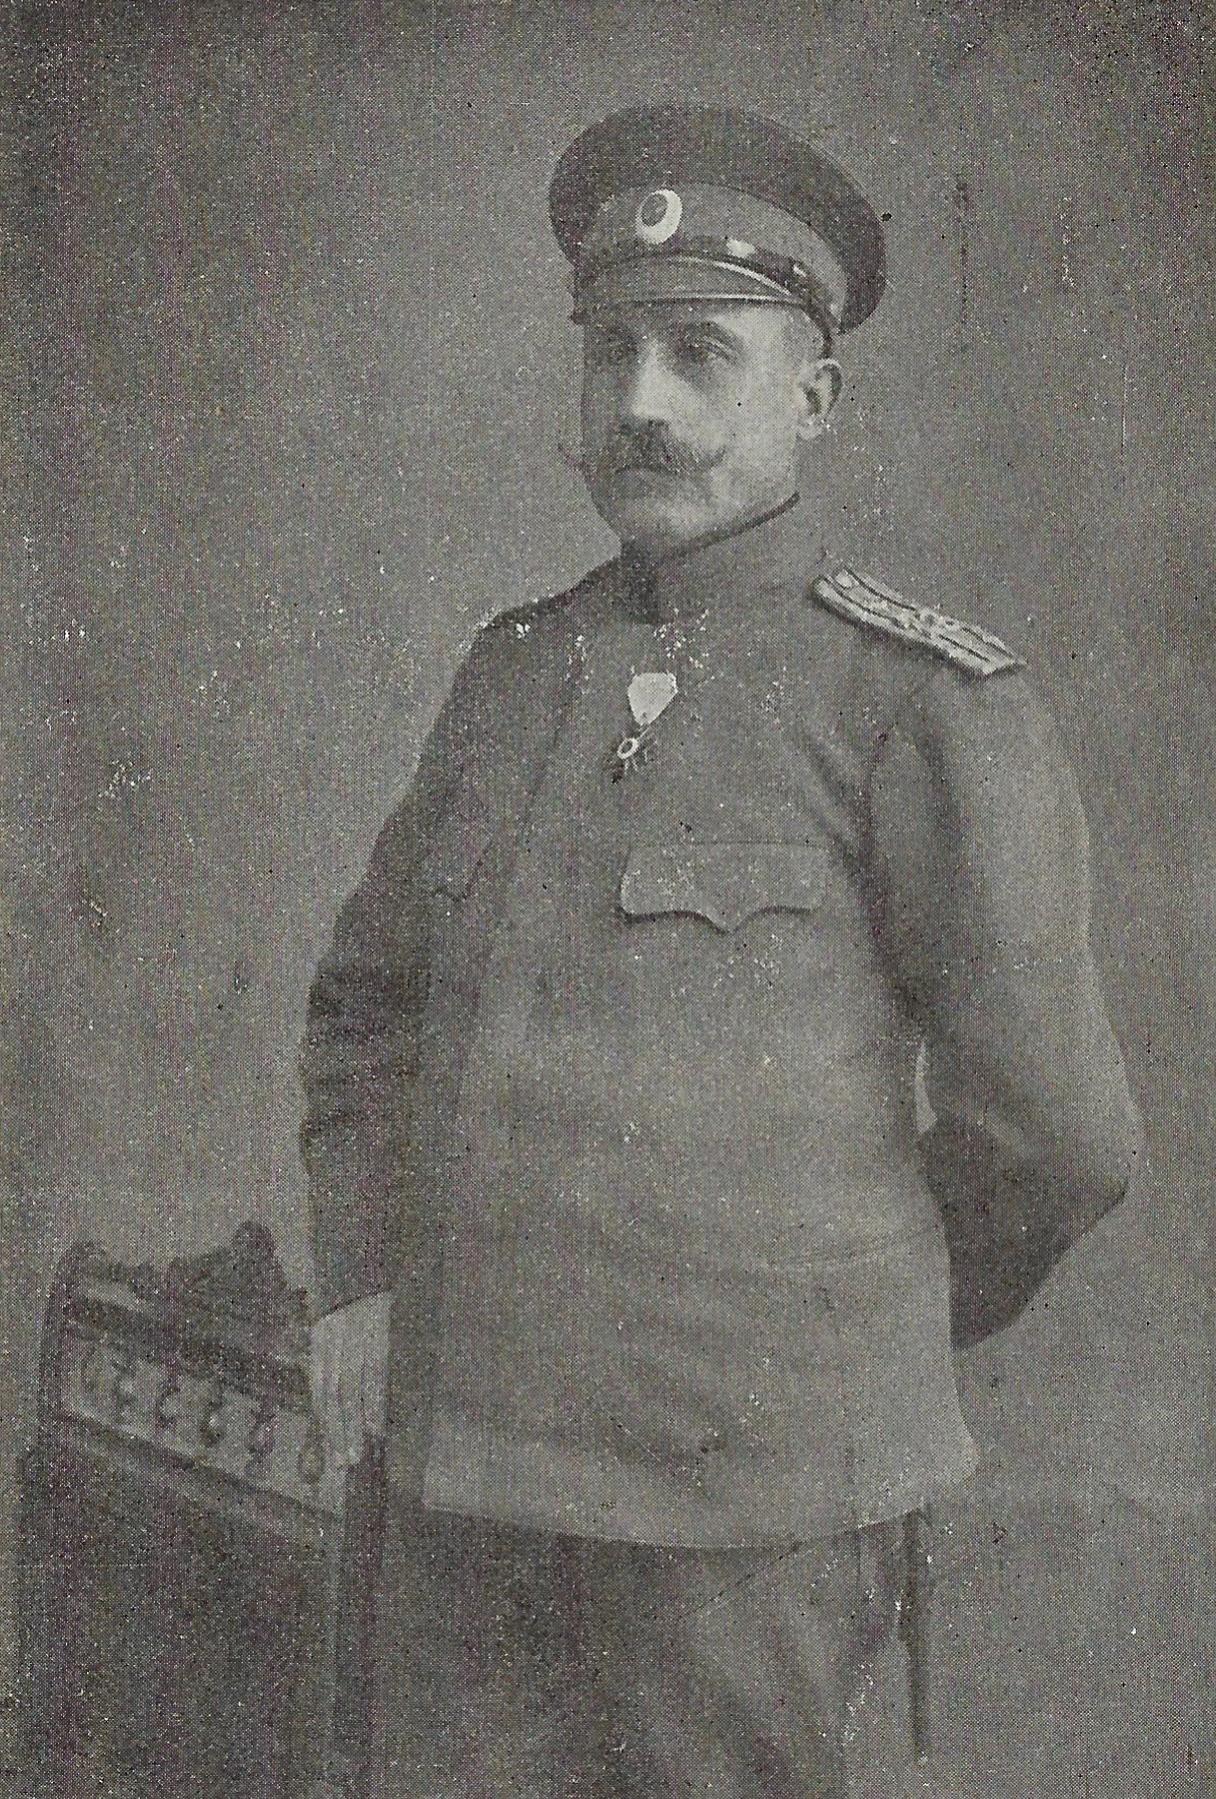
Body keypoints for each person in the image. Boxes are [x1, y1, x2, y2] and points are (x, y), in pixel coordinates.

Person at [300, 104, 1140, 1797]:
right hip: (466, 1488)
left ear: (811, 396)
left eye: (700, 354)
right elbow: (367, 1010)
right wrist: (370, 1282)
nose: (642, 404)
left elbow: (1055, 1135)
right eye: (609, 352)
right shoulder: (511, 674)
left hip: (748, 1521)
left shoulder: (920, 703)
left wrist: (844, 1324)